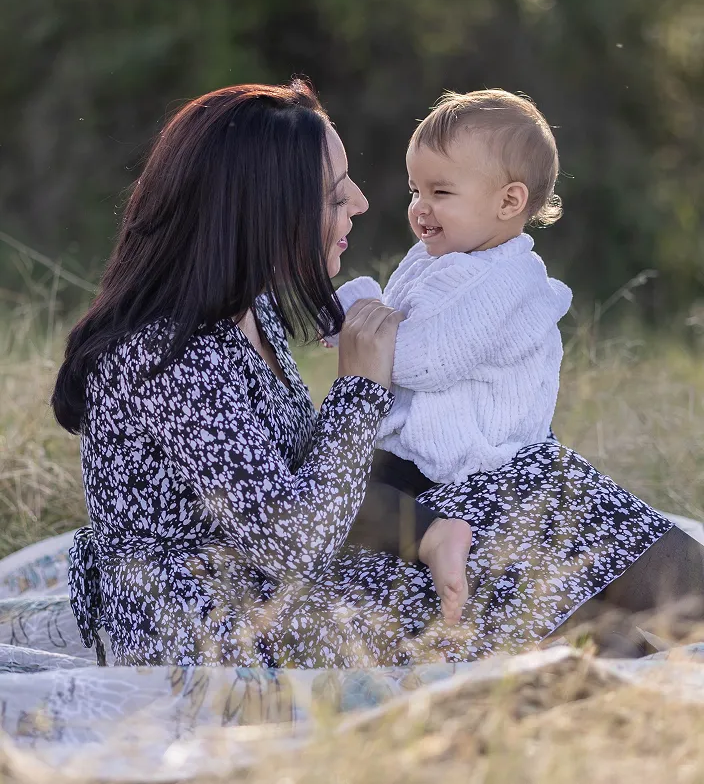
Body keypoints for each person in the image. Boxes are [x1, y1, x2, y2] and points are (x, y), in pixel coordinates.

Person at [53, 80, 702, 669]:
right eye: (336, 195)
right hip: (211, 628)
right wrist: (361, 388)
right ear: (266, 212)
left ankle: (627, 675)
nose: (363, 203)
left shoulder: (246, 318)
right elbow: (291, 536)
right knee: (543, 494)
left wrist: (425, 531)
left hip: (275, 589)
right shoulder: (168, 352)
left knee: (533, 503)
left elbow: (311, 486)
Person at [329, 89, 573, 622]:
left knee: (345, 500)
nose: (420, 207)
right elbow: (392, 318)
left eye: (441, 191)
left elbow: (425, 359)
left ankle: (439, 548)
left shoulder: (509, 282)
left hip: (469, 464)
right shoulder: (435, 257)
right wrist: (358, 311)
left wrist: (360, 319)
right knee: (332, 495)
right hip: (419, 452)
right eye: (416, 189)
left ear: (509, 202)